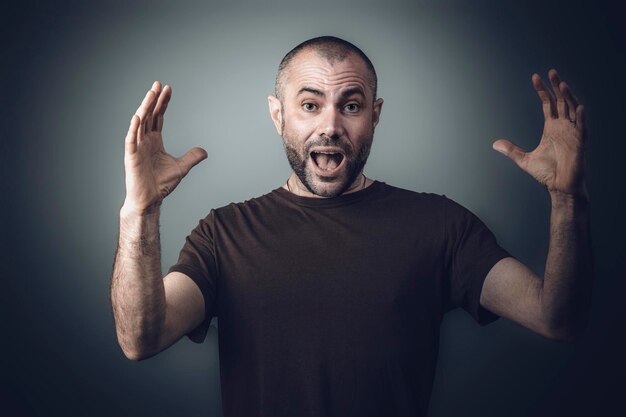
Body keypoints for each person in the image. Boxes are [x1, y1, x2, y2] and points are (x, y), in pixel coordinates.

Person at [110, 36, 592, 416]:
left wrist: (566, 200)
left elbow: (556, 318)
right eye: (310, 104)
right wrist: (141, 212)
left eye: (352, 105)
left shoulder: (439, 226)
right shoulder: (225, 234)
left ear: (375, 116)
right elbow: (141, 338)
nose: (331, 126)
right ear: (278, 116)